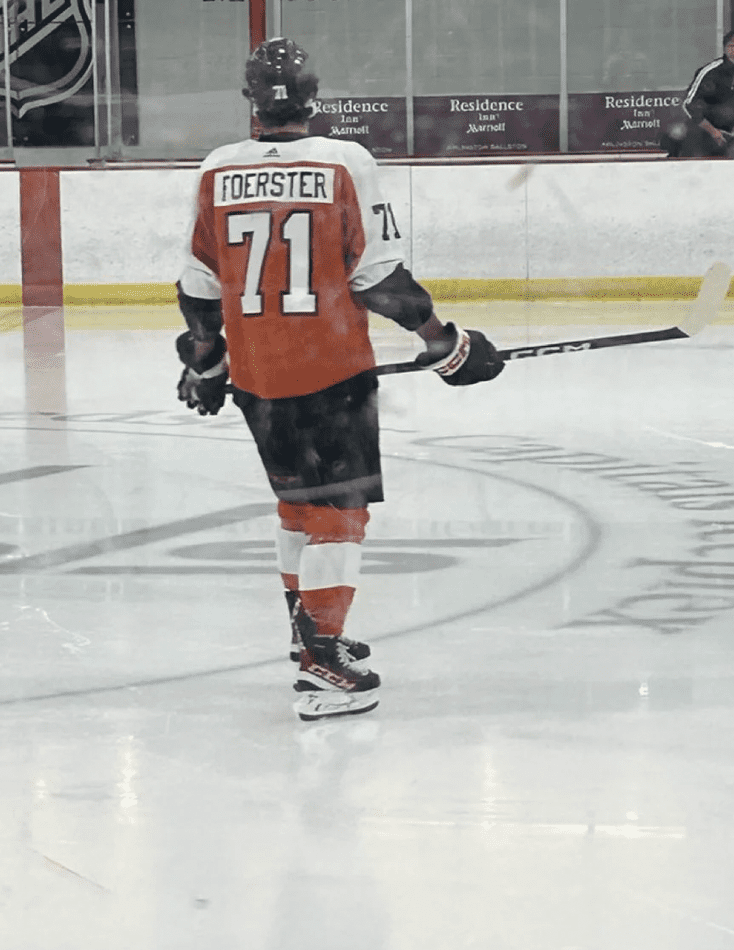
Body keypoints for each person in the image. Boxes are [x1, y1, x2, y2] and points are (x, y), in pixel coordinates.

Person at [174, 37, 505, 721]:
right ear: (314, 97)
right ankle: (323, 661)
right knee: (338, 518)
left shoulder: (217, 169)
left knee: (297, 511)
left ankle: (309, 640)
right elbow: (377, 277)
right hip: (330, 371)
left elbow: (199, 288)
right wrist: (445, 343)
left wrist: (204, 362)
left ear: (249, 102)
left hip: (258, 376)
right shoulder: (343, 160)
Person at [662, 30, 734, 158]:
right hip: (708, 136)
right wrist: (713, 132)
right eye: (732, 46)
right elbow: (690, 104)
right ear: (725, 48)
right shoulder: (711, 72)